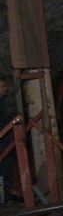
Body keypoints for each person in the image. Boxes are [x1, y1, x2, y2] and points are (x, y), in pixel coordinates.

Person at [0, 75, 16, 204]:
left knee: (6, 170)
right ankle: (2, 199)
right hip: (1, 144)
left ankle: (6, 196)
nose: (5, 89)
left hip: (4, 142)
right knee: (2, 171)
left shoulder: (1, 103)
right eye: (3, 86)